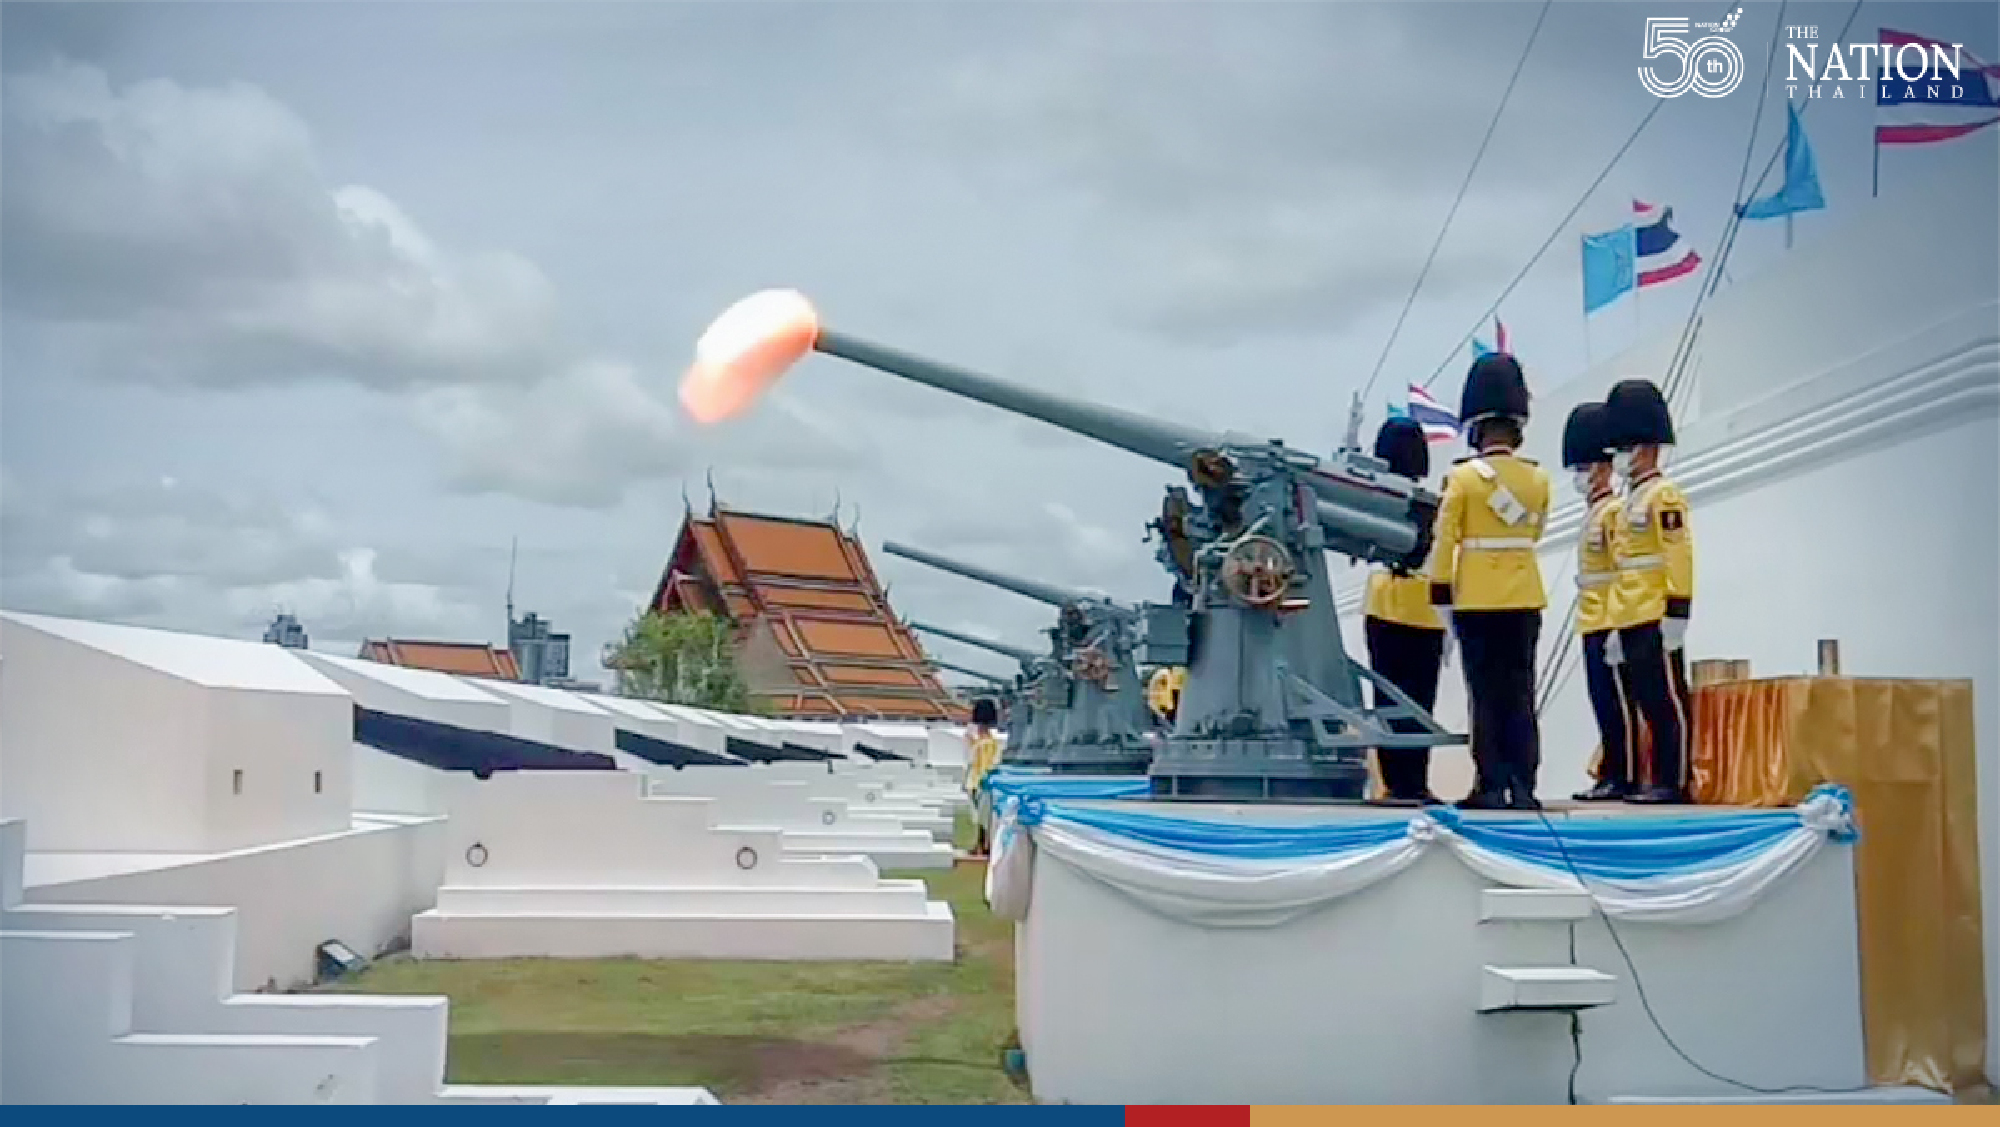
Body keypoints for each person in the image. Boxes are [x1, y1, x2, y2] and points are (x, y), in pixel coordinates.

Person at [1428, 353, 1552, 810]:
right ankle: (1525, 785)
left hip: (1477, 599)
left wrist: (1441, 594)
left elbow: (1446, 540)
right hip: (1525, 595)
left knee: (1484, 695)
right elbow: (1535, 532)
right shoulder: (1537, 478)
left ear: (1476, 428)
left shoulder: (1462, 478)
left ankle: (1491, 783)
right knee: (1521, 692)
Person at [1603, 377, 1696, 805]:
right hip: (1629, 612)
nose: (1620, 457)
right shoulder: (1629, 502)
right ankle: (1652, 778)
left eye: (1625, 448)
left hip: (1656, 612)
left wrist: (1677, 611)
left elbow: (1678, 555)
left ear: (1646, 448)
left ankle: (1673, 781)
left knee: (1666, 702)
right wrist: (1614, 623)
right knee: (1643, 701)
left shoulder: (1664, 495)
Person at [1364, 415, 1448, 805]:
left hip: (1384, 602)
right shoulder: (1433, 503)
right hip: (1425, 605)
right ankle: (1416, 781)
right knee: (1420, 699)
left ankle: (1392, 781)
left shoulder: (1373, 497)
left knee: (1386, 697)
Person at [1564, 402, 1645, 802]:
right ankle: (1611, 771)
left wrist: (1618, 623)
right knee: (1602, 702)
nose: (1580, 475)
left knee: (1618, 706)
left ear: (1602, 468)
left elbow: (1620, 569)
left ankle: (1624, 774)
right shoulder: (1595, 513)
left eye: (1585, 467)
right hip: (1591, 619)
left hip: (1609, 619)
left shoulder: (1613, 513)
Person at [965, 697, 1004, 857]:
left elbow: (982, 765)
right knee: (981, 815)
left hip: (980, 781)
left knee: (982, 816)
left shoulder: (985, 743)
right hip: (978, 780)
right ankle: (982, 844)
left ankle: (982, 845)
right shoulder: (987, 742)